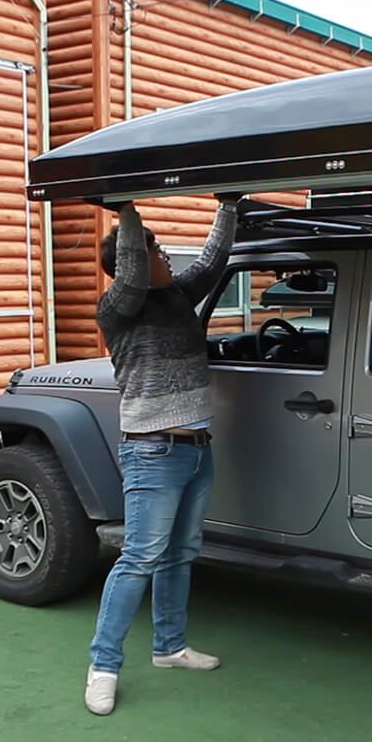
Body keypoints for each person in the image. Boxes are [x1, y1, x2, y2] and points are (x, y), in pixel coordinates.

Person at [84, 196, 240, 715]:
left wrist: (228, 207)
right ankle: (103, 667)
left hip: (196, 450)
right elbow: (131, 275)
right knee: (139, 559)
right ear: (134, 260)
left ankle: (170, 647)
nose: (167, 256)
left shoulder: (177, 295)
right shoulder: (118, 308)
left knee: (180, 554)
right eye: (157, 251)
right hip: (152, 452)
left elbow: (213, 261)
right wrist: (126, 211)